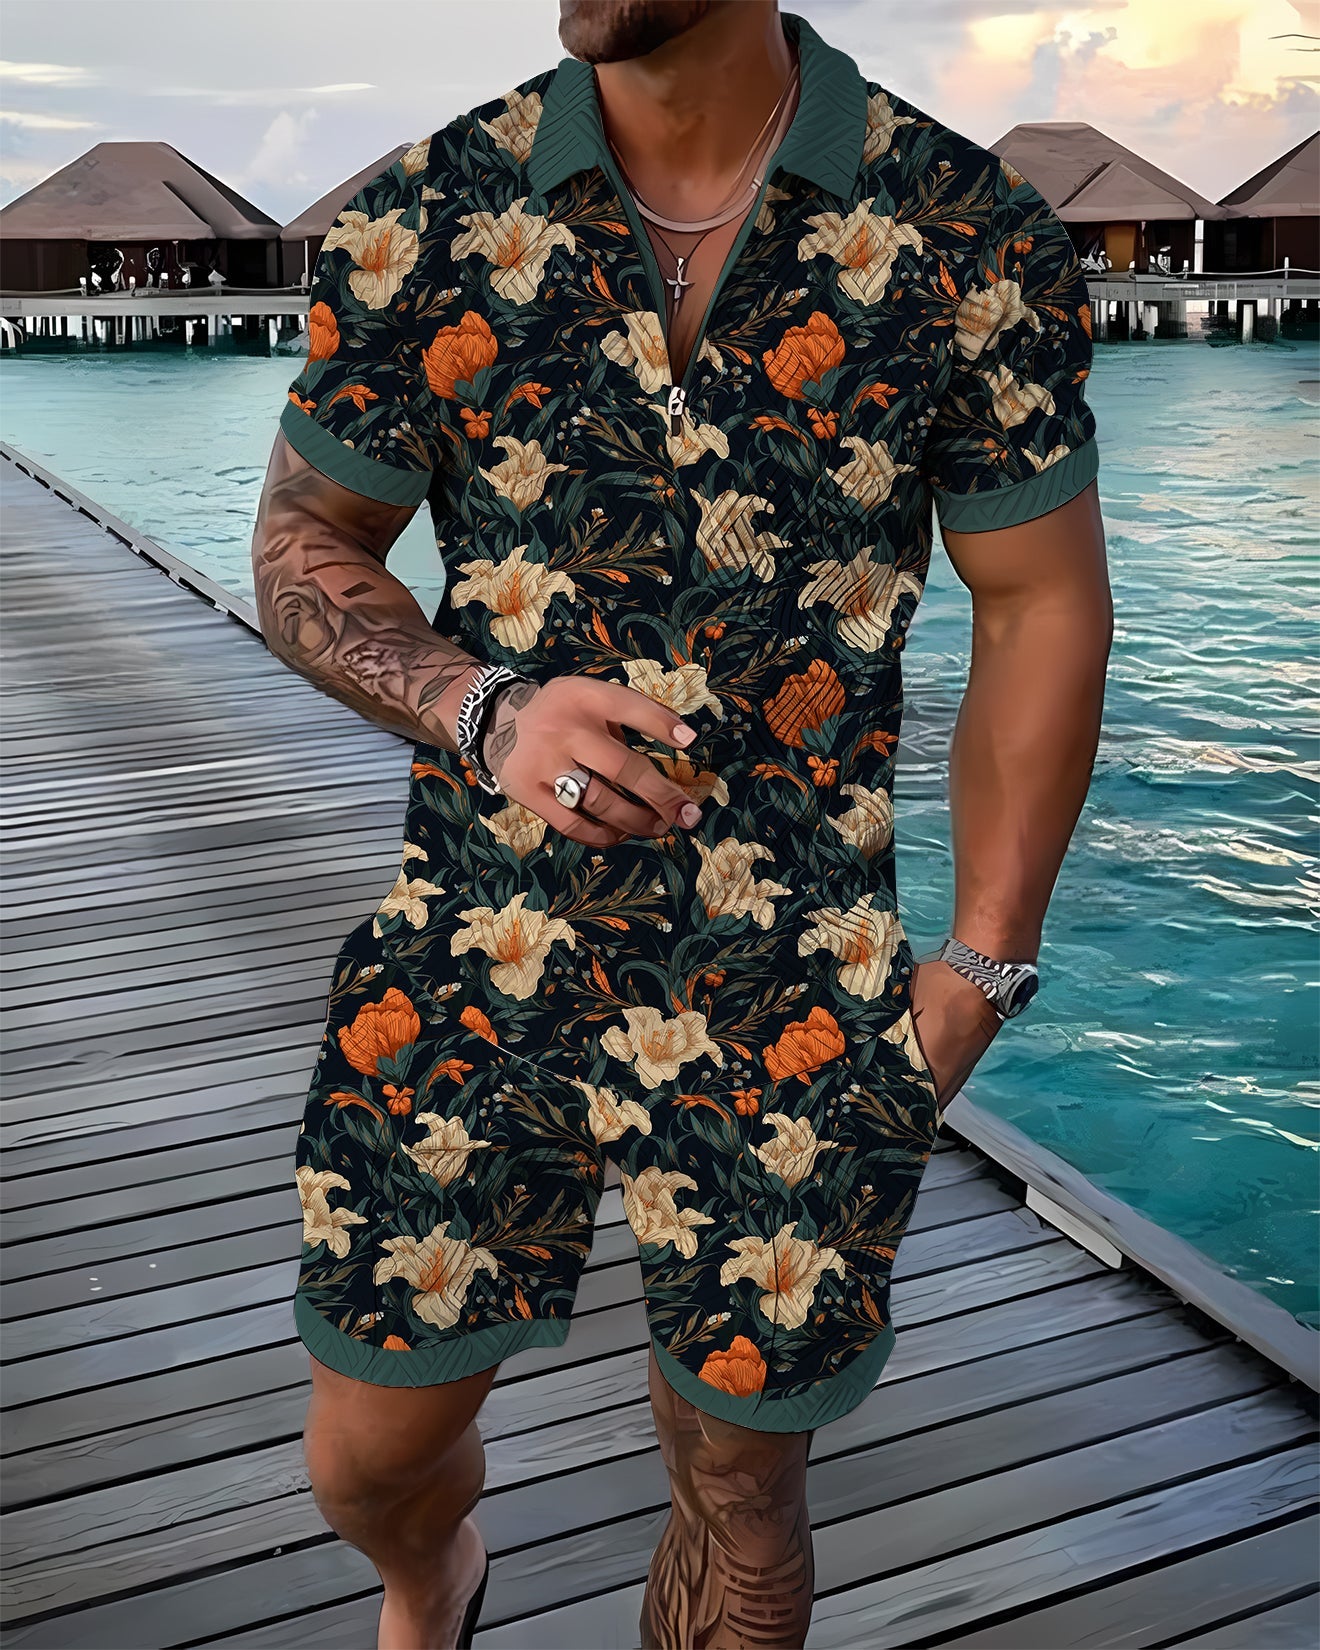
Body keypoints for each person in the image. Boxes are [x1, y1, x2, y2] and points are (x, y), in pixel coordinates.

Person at [252, 2, 1111, 1645]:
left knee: (745, 1498)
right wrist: (481, 706)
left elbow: (1041, 601)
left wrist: (986, 960)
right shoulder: (430, 212)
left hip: (796, 980)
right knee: (367, 1454)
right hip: (476, 943)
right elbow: (304, 540)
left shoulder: (965, 229)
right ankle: (434, 1572)